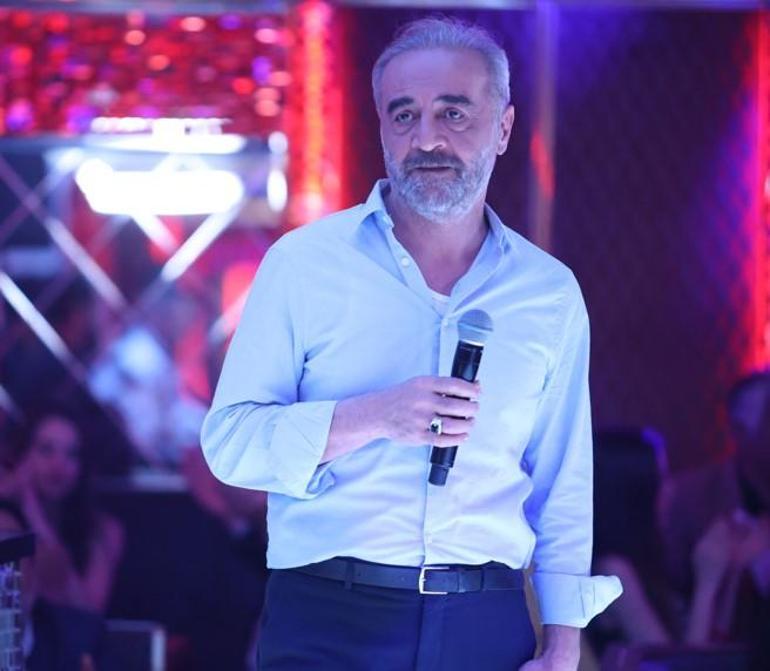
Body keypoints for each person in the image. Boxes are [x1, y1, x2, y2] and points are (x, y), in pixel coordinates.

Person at [201, 17, 621, 671]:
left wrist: (563, 644)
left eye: (453, 113)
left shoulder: (548, 293)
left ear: (503, 128)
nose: (426, 138)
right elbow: (230, 443)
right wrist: (372, 416)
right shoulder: (304, 264)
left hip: (486, 623)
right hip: (328, 618)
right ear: (382, 129)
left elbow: (562, 483)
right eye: (404, 115)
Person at [589, 428, 741, 658]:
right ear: (635, 493)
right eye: (662, 479)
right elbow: (675, 665)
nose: (670, 489)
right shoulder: (613, 570)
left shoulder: (649, 557)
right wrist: (707, 582)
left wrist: (731, 569)